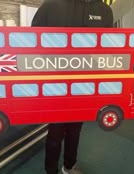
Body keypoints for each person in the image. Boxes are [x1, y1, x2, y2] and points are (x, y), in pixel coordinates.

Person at [31, 0, 113, 174]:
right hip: (56, 84)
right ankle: (50, 170)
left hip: (84, 85)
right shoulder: (51, 5)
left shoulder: (105, 11)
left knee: (75, 129)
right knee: (55, 132)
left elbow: (108, 46)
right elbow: (31, 39)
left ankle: (69, 165)